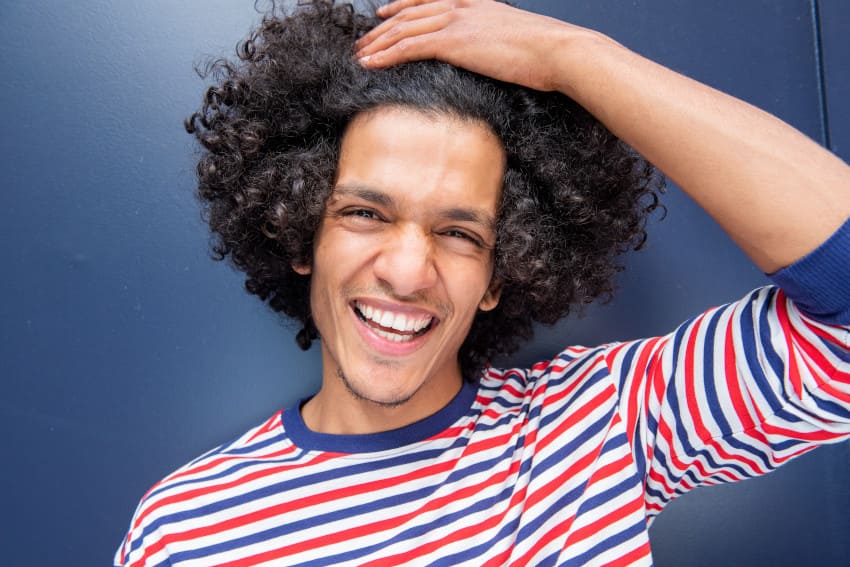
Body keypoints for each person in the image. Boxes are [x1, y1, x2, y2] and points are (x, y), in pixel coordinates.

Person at [116, 0, 850, 565]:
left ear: (501, 272)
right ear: (301, 232)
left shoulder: (598, 425)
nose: (407, 271)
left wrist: (571, 57)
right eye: (366, 213)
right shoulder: (186, 527)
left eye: (460, 233)